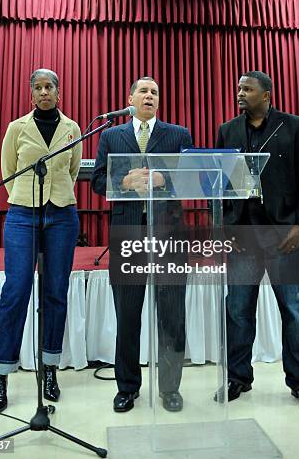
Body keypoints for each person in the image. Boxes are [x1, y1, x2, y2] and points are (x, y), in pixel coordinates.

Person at [215, 71, 299, 412]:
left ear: (267, 94)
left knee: (293, 310)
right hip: (243, 235)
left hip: (284, 236)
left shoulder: (293, 126)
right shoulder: (227, 131)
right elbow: (219, 182)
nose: (240, 93)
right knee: (238, 310)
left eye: (247, 89)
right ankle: (238, 377)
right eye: (238, 88)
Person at [91, 77, 193, 413]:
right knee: (128, 315)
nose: (149, 96)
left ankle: (170, 388)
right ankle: (127, 387)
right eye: (144, 91)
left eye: (155, 92)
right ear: (130, 97)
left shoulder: (179, 134)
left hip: (169, 235)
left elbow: (193, 176)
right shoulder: (111, 135)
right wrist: (122, 180)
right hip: (128, 234)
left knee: (172, 315)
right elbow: (96, 180)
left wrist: (166, 179)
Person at [0, 69, 82, 413]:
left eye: (50, 87)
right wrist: (25, 198)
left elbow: (72, 170)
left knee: (56, 291)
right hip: (22, 214)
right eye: (38, 88)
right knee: (16, 290)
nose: (44, 92)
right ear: (31, 95)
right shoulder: (17, 128)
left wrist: (55, 195)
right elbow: (7, 170)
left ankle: (50, 369)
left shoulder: (72, 129)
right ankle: (0, 373)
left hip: (62, 214)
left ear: (59, 92)